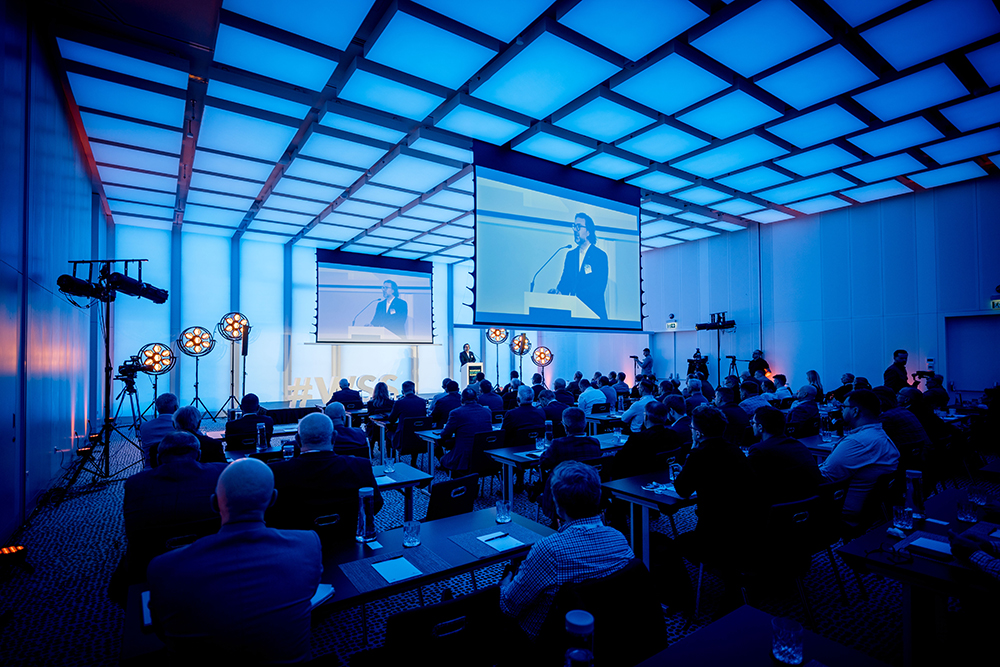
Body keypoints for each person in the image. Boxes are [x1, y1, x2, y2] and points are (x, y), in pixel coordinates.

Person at [147, 458, 322, 663]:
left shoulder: (162, 569)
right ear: (273, 499)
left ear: (214, 503)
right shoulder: (307, 545)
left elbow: (162, 632)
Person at [499, 461, 633, 639]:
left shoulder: (549, 551)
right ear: (599, 495)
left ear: (558, 507)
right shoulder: (619, 539)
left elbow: (510, 608)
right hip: (607, 633)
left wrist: (504, 585)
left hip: (544, 641)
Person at [123, 431, 226, 583]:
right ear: (199, 455)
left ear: (158, 458)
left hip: (148, 568)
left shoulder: (134, 484)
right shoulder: (222, 473)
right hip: (217, 560)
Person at [269, 412, 382, 532]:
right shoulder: (361, 466)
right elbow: (375, 504)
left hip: (295, 541)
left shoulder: (275, 472)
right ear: (334, 437)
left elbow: (268, 514)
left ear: (297, 440)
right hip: (348, 536)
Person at [674, 405, 761, 558]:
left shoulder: (699, 455)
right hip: (746, 526)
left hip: (714, 532)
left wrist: (692, 451)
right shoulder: (735, 450)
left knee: (675, 544)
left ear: (698, 433)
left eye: (691, 428)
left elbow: (682, 490)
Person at [819, 390, 899, 525]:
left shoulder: (858, 441)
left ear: (855, 411)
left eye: (844, 407)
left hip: (839, 508)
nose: (841, 410)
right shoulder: (879, 435)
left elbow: (824, 477)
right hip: (868, 509)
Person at [747, 407, 823, 506]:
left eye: (753, 423)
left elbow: (747, 479)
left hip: (783, 507)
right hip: (812, 503)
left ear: (760, 427)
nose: (752, 426)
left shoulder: (760, 450)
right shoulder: (798, 444)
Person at [549, 212, 609, 319]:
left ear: (588, 231)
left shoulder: (600, 256)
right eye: (574, 227)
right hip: (574, 315)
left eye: (579, 227)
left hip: (594, 314)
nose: (575, 230)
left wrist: (576, 296)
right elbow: (565, 282)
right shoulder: (570, 255)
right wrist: (558, 292)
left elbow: (599, 287)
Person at [612, 401, 681, 480]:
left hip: (637, 479)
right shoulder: (673, 435)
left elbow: (619, 461)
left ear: (646, 417)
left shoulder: (638, 438)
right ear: (666, 417)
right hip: (664, 476)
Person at [439, 388, 493, 476]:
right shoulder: (487, 411)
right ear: (477, 398)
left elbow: (445, 434)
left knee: (443, 460)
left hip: (464, 457)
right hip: (485, 455)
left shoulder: (456, 413)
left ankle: (461, 481)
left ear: (462, 399)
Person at [385, 380, 427, 465]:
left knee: (388, 433)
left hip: (402, 438)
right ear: (414, 390)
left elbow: (391, 419)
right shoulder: (422, 401)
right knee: (413, 432)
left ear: (402, 391)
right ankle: (413, 462)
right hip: (419, 437)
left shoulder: (399, 403)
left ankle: (392, 462)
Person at [139, 392, 179, 468]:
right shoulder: (181, 427)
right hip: (178, 468)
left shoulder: (144, 426)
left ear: (157, 408)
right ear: (176, 408)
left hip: (151, 469)